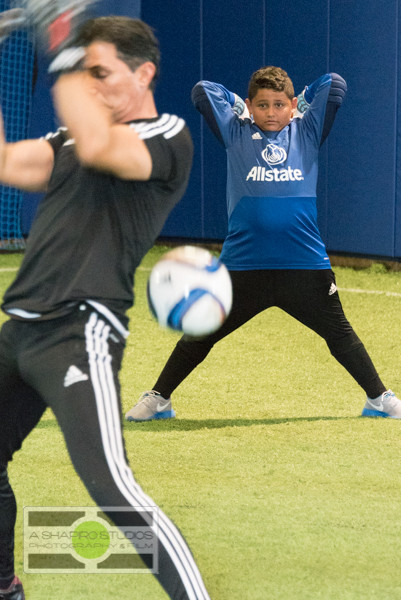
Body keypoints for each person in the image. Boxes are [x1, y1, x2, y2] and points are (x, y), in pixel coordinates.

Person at [0, 7, 210, 600]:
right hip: (18, 329)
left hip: (79, 330)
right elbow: (7, 162)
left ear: (143, 74)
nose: (92, 86)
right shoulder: (69, 137)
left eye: (102, 73)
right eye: (86, 75)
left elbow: (98, 144)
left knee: (113, 492)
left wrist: (62, 48)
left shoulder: (167, 136)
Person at [126, 66, 401, 423]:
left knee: (341, 336)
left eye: (279, 105)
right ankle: (159, 399)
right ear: (251, 108)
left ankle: (379, 398)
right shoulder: (236, 131)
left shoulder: (307, 131)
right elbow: (202, 90)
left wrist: (302, 99)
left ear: (291, 108)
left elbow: (334, 84)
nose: (271, 112)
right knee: (200, 335)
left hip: (305, 265)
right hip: (243, 266)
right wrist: (237, 106)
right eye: (262, 105)